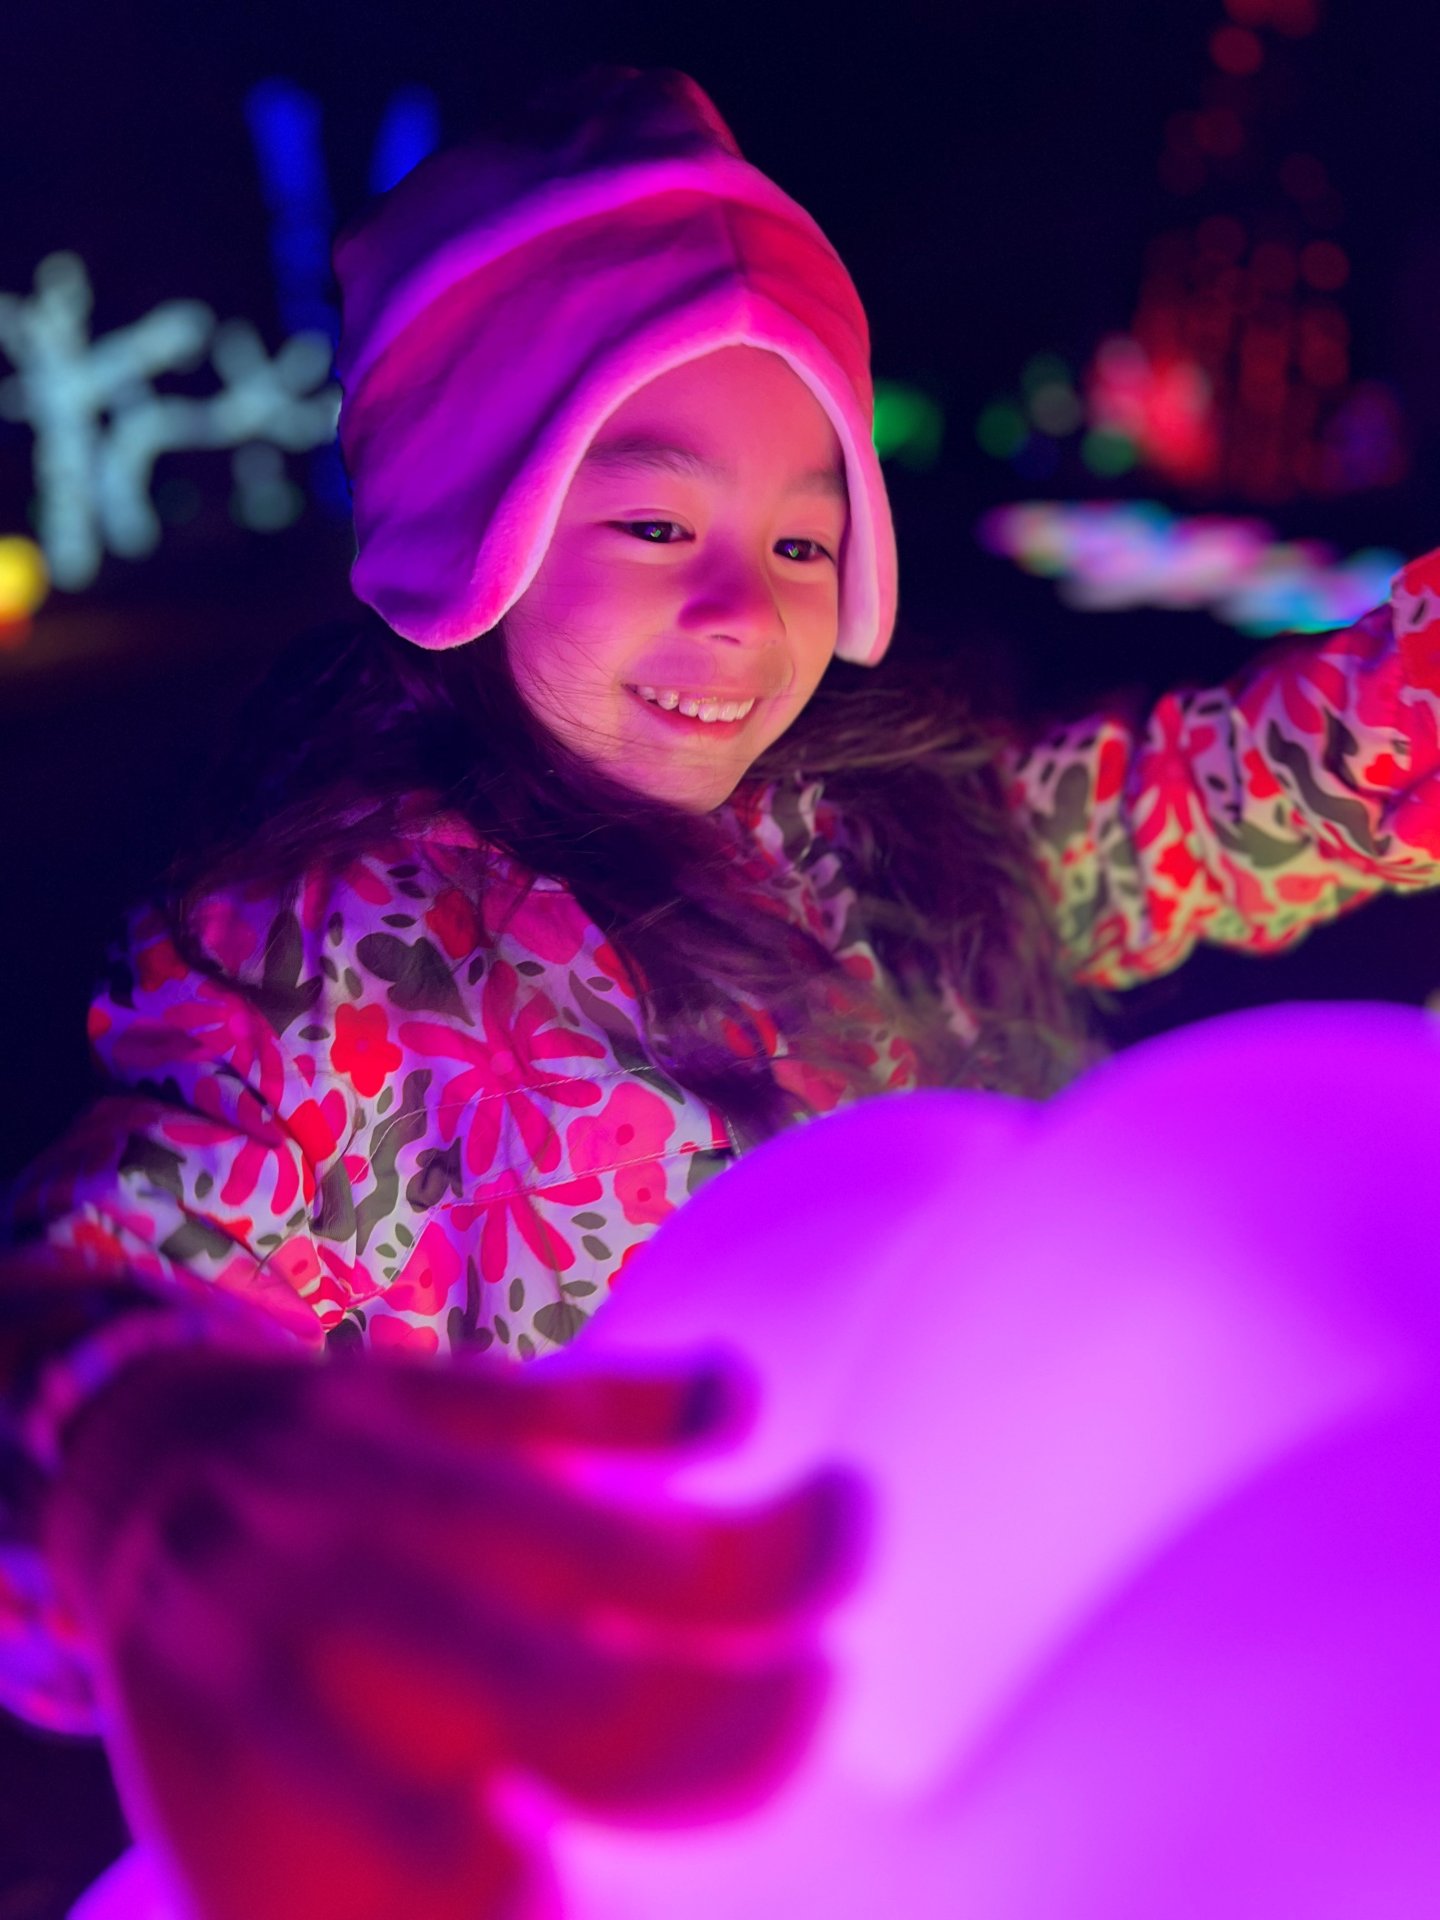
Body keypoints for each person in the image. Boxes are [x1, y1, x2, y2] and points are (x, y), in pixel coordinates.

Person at [4, 59, 1440, 1915]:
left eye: (798, 539)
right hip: (646, 1815)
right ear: (473, 526)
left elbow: (1216, 802)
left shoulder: (888, 839)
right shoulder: (348, 962)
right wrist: (146, 1453)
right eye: (653, 526)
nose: (743, 617)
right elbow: (99, 1290)